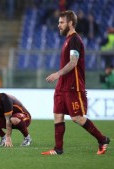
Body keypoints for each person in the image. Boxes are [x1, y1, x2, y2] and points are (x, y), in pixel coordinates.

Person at [42, 10, 110, 155]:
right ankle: (58, 149)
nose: (58, 25)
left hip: (73, 85)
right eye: (59, 22)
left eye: (61, 22)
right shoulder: (67, 40)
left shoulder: (74, 40)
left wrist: (57, 73)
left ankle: (102, 139)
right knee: (58, 115)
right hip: (62, 85)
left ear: (70, 23)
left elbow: (73, 63)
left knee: (76, 117)